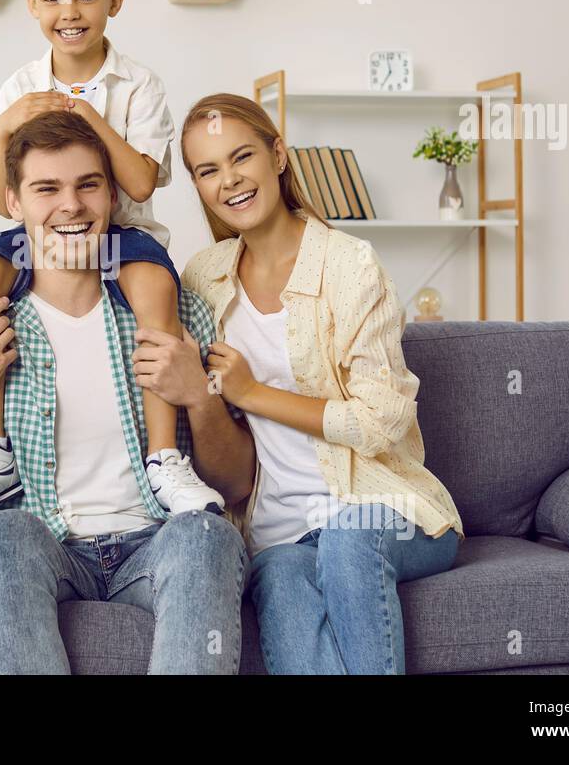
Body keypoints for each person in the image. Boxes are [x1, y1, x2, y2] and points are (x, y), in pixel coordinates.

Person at [0, 110, 252, 674]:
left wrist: (199, 396)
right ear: (13, 202)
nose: (70, 205)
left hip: (156, 539)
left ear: (111, 196)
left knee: (208, 535)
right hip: (42, 545)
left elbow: (237, 485)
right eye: (46, 188)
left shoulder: (180, 314)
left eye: (87, 185)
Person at [0, 0, 222, 523]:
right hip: (41, 235)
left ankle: (165, 457)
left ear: (114, 2)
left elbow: (140, 183)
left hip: (119, 237)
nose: (70, 10)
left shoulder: (139, 84)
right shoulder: (17, 87)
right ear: (32, 5)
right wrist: (6, 127)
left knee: (157, 285)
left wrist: (87, 118)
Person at [177, 94, 465, 675]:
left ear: (278, 156)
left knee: (347, 538)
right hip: (275, 533)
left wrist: (253, 392)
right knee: (279, 577)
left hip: (383, 509)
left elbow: (382, 419)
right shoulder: (202, 278)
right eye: (208, 170)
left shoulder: (350, 264)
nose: (229, 180)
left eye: (242, 157)